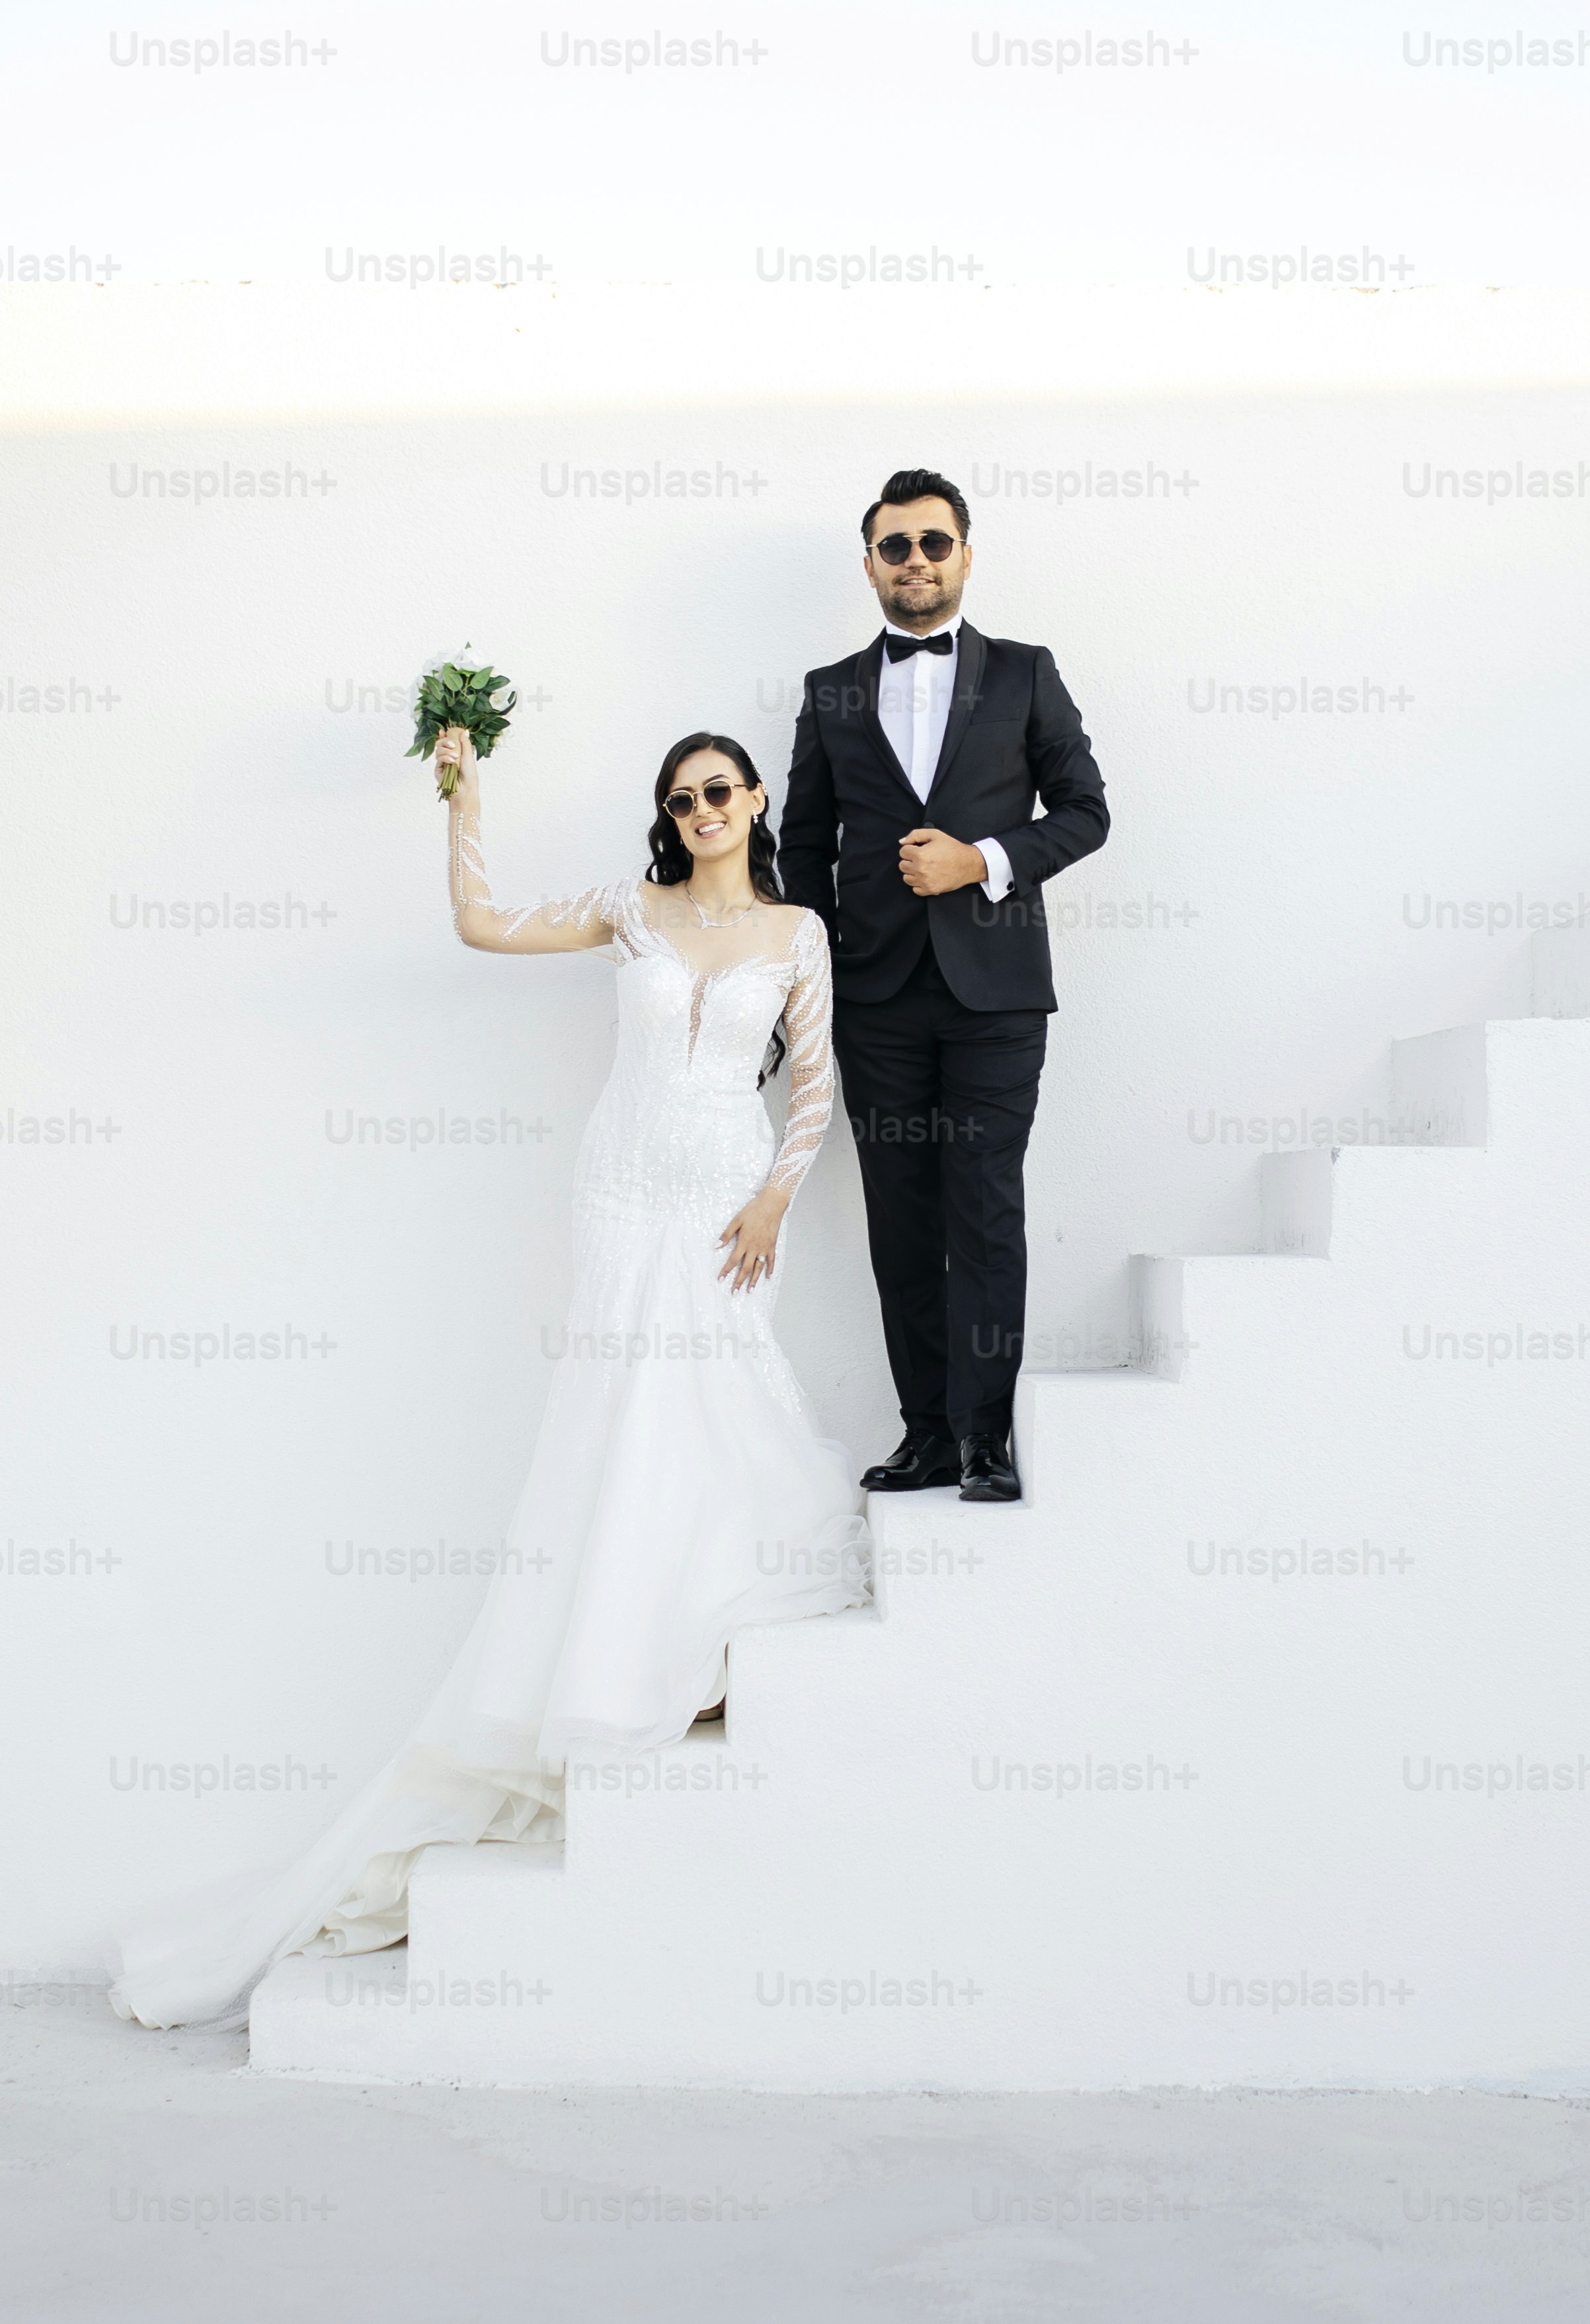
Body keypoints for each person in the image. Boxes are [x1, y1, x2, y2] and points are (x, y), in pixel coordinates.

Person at [112, 731, 865, 2028]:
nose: (700, 811)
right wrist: (465, 797)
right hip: (623, 1189)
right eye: (680, 798)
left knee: (723, 1386)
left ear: (755, 803)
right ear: (669, 815)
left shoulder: (797, 930)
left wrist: (775, 1197)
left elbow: (816, 1076)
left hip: (725, 1191)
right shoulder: (628, 910)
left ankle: (701, 1637)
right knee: (622, 1407)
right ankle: (627, 1652)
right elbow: (479, 922)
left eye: (720, 792)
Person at [776, 471, 1113, 1507]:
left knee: (984, 1210)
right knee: (901, 1219)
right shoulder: (830, 687)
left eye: (931, 543)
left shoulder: (1024, 673)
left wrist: (984, 861)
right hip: (877, 1003)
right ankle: (924, 1433)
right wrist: (821, 981)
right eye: (893, 547)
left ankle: (986, 1437)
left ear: (964, 554)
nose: (913, 561)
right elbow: (801, 846)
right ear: (869, 564)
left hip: (995, 997)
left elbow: (1087, 811)